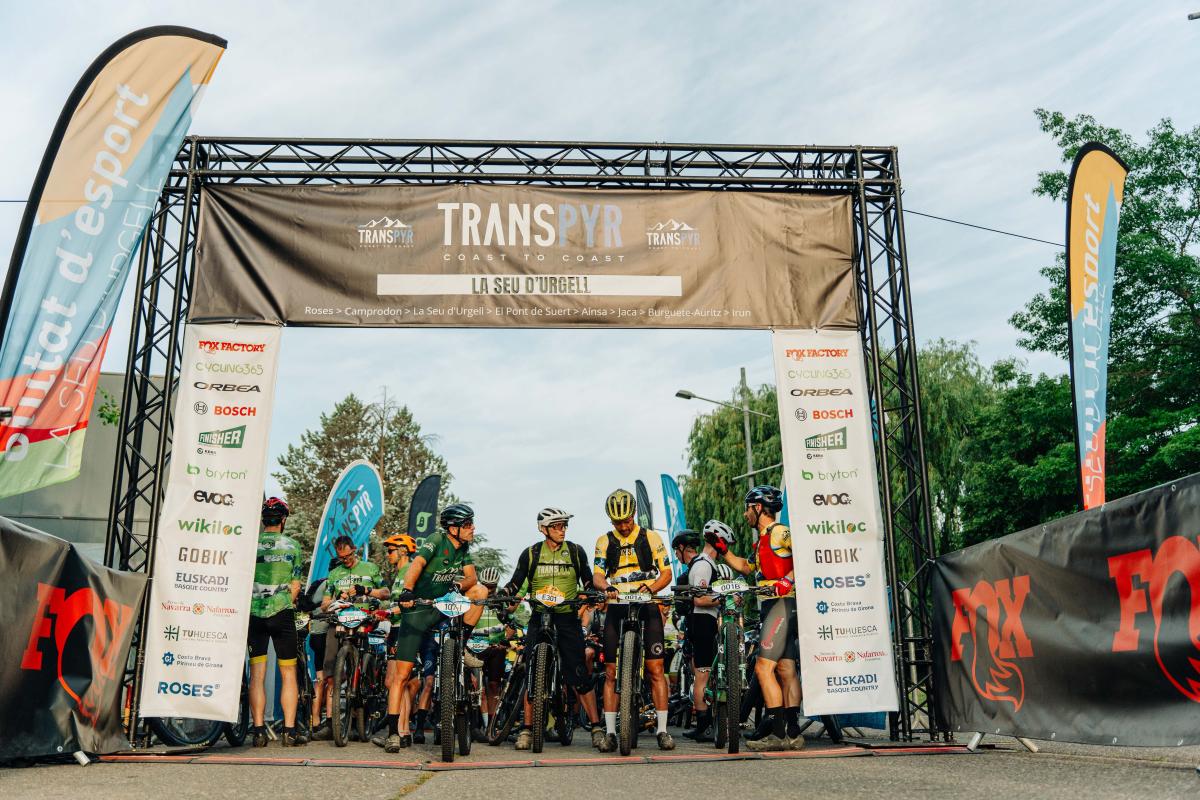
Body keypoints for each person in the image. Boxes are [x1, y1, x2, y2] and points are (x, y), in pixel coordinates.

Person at [501, 507, 604, 750]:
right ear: (543, 529)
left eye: (564, 525)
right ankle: (527, 730)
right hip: (540, 616)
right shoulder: (531, 553)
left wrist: (591, 592)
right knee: (532, 672)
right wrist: (505, 592)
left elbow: (587, 579)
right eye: (557, 526)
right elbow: (516, 582)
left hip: (567, 617)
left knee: (578, 674)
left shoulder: (575, 551)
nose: (562, 530)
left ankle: (596, 728)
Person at [709, 486, 803, 751]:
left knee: (762, 669)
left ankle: (777, 733)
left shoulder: (780, 532)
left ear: (758, 508)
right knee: (785, 669)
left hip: (781, 605)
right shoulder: (762, 540)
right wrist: (723, 550)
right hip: (776, 606)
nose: (745, 514)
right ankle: (793, 733)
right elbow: (747, 567)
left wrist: (787, 580)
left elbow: (806, 555)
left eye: (748, 508)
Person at [387, 503, 488, 753]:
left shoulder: (463, 548)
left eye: (472, 523)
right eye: (467, 524)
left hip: (442, 608)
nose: (472, 528)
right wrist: (407, 590)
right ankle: (392, 734)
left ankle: (460, 645)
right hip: (418, 611)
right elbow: (417, 564)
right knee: (401, 676)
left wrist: (457, 588)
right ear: (453, 528)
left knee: (480, 591)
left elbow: (472, 578)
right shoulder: (436, 539)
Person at [591, 489, 675, 751]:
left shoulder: (651, 537)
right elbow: (597, 575)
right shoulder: (604, 541)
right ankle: (610, 733)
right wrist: (606, 587)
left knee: (656, 669)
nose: (624, 526)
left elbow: (667, 573)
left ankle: (662, 730)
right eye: (618, 523)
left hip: (646, 604)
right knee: (610, 672)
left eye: (627, 520)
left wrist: (651, 588)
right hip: (617, 606)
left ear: (634, 514)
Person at [316, 534, 389, 740]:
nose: (345, 560)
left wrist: (366, 590)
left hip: (364, 620)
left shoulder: (370, 568)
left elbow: (386, 592)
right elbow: (324, 604)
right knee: (332, 673)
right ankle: (331, 723)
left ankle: (361, 717)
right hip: (340, 621)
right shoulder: (334, 574)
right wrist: (335, 600)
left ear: (354, 550)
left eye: (348, 556)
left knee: (363, 670)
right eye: (341, 558)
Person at [247, 497, 306, 747]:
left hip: (254, 613)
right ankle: (289, 732)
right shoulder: (293, 546)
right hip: (281, 611)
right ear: (283, 520)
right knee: (288, 673)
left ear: (263, 521)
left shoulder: (250, 545)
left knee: (257, 674)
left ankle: (258, 731)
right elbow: (296, 585)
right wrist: (283, 603)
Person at [372, 533, 417, 749]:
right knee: (399, 682)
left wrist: (390, 612)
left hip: (405, 629)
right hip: (396, 628)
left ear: (403, 551)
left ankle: (398, 732)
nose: (388, 554)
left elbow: (412, 602)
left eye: (390, 551)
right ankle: (403, 731)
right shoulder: (400, 573)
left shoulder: (410, 570)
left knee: (395, 681)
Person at [678, 528, 720, 743]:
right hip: (703, 621)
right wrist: (725, 598)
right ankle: (704, 727)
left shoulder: (700, 563)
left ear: (681, 548)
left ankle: (703, 725)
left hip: (699, 622)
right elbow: (700, 599)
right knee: (703, 675)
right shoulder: (703, 565)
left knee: (700, 675)